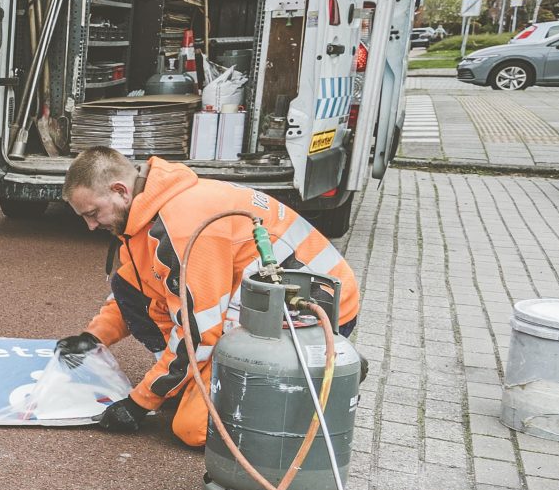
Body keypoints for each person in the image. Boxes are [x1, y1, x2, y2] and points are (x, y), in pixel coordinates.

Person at [58, 147, 359, 447]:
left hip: (315, 317)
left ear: (120, 191)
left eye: (93, 213)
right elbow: (139, 288)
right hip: (266, 303)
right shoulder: (150, 209)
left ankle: (322, 382)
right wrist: (94, 337)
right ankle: (189, 379)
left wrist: (140, 402)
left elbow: (198, 335)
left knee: (192, 428)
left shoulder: (182, 228)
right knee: (127, 285)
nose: (91, 226)